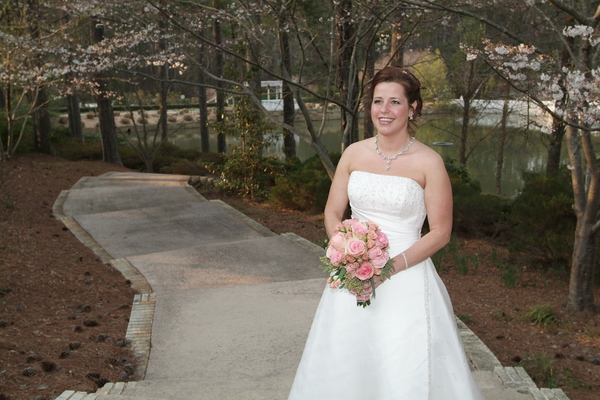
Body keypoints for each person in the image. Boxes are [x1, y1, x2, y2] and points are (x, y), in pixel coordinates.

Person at [288, 66, 484, 400]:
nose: (384, 110)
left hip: (407, 277)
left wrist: (388, 268)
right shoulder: (353, 153)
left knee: (403, 363)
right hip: (353, 276)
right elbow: (332, 212)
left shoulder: (430, 162)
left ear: (412, 108)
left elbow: (440, 232)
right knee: (344, 360)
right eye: (378, 101)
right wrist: (347, 252)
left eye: (395, 102)